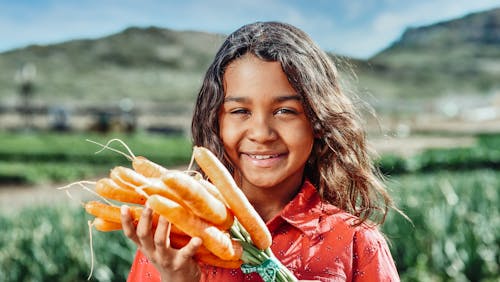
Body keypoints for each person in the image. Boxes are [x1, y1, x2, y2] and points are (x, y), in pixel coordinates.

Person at [121, 21, 400, 281]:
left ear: (317, 122)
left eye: (285, 111)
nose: (261, 134)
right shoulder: (168, 240)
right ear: (216, 121)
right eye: (240, 111)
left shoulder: (355, 242)